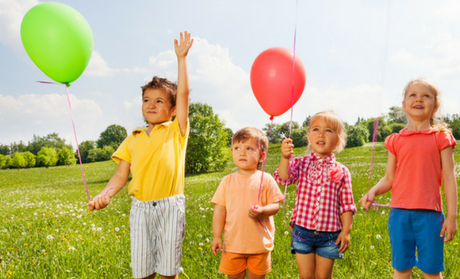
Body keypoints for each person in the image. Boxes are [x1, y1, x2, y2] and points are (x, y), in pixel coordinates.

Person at [88, 31, 193, 279]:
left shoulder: (176, 130)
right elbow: (119, 177)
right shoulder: (132, 138)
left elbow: (185, 95)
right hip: (141, 210)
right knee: (143, 272)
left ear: (173, 110)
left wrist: (182, 59)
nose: (151, 105)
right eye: (147, 100)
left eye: (159, 101)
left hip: (170, 207)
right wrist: (104, 195)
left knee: (169, 272)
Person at [360, 77, 458, 279]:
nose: (418, 99)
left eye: (426, 96)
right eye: (412, 95)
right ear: (404, 105)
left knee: (431, 270)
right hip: (399, 215)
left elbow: (448, 178)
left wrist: (452, 216)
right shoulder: (396, 140)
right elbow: (389, 178)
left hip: (430, 216)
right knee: (401, 269)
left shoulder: (441, 137)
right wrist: (372, 192)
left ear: (435, 105)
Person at [275, 111, 357, 279]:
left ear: (337, 140)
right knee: (305, 276)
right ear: (309, 137)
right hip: (302, 231)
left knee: (324, 276)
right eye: (316, 129)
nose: (321, 134)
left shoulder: (342, 171)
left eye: (328, 130)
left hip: (330, 235)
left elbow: (347, 205)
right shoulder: (300, 163)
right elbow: (284, 178)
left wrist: (346, 231)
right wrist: (285, 157)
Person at [211, 127, 285, 279]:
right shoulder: (227, 181)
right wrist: (217, 236)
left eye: (249, 148)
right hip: (233, 244)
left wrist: (262, 210)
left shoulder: (266, 179)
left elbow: (276, 206)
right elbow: (219, 211)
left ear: (261, 156)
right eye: (237, 148)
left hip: (259, 244)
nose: (242, 152)